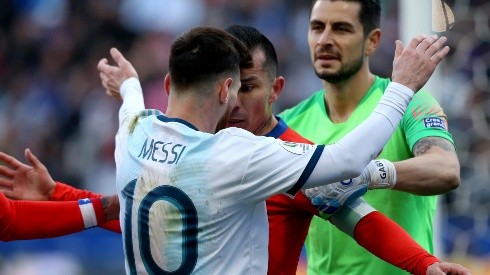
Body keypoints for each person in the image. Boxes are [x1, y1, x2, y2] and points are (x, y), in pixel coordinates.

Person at [0, 26, 470, 275]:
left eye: (252, 86)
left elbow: (359, 218)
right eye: (235, 87)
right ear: (219, 89)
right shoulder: (231, 155)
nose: (239, 100)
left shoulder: (147, 135)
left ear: (275, 89)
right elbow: (139, 212)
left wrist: (424, 264)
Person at [278, 1, 462, 275]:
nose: (324, 40)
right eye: (317, 27)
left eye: (341, 29)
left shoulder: (409, 102)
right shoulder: (291, 122)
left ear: (372, 41)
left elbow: (446, 170)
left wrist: (369, 174)